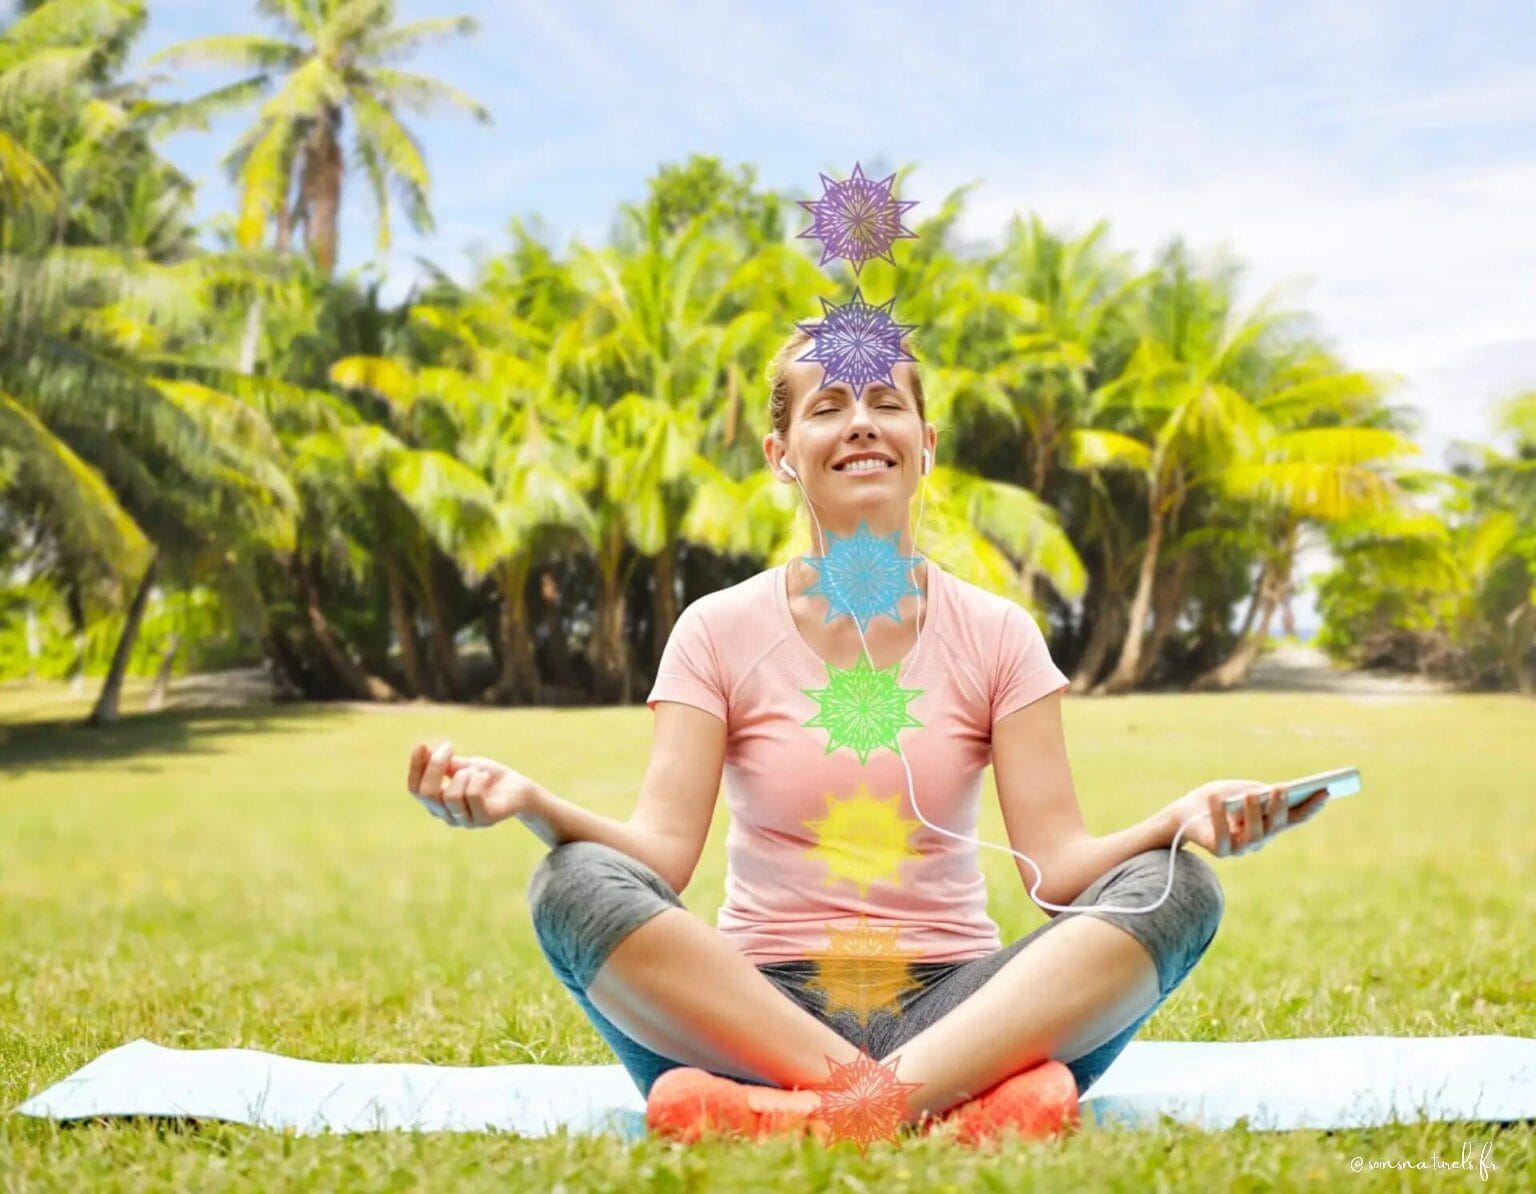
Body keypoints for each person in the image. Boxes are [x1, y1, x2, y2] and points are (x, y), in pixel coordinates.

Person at [405, 329, 1332, 1146]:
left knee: (1179, 890)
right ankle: (956, 1112)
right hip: (755, 1009)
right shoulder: (716, 630)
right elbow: (659, 858)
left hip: (959, 1010)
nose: (860, 422)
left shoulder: (998, 632)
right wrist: (532, 804)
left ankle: (815, 1115)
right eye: (828, 406)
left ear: (924, 446)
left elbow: (1055, 873)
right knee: (570, 883)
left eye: (887, 402)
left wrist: (1178, 822)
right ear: (781, 451)